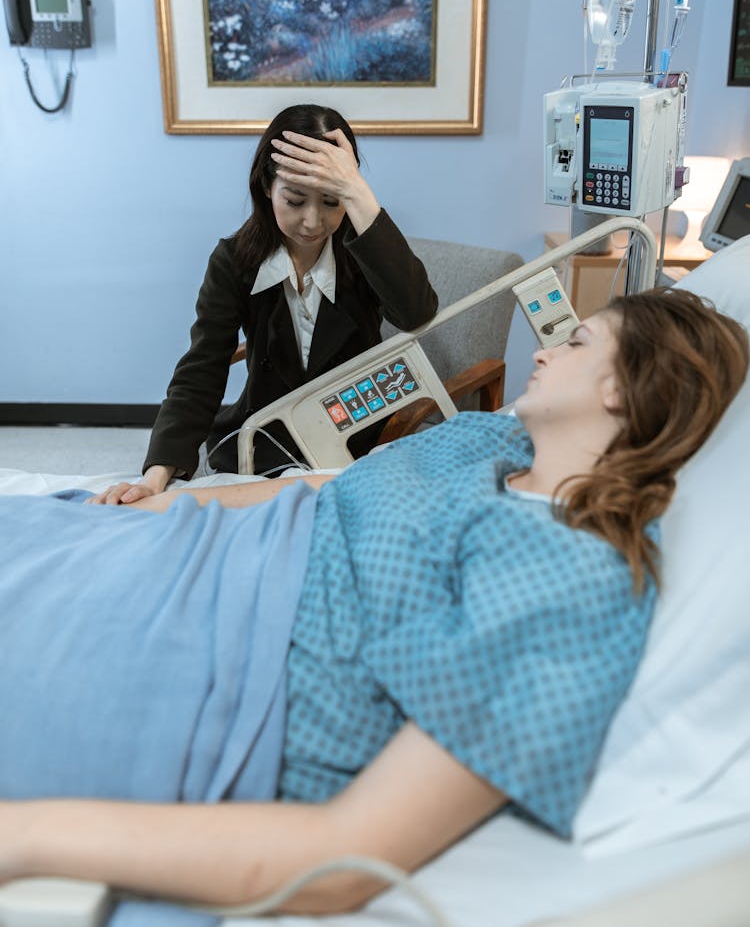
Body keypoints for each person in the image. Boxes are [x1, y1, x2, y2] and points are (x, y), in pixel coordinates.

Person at [0, 289, 746, 918]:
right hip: (181, 554)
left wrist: (24, 836)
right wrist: (146, 512)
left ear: (624, 386)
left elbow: (348, 854)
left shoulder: (574, 580)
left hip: (216, 654)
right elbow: (317, 488)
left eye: (577, 341)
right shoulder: (490, 438)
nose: (546, 350)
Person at [94, 103, 437, 503]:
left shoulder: (366, 252)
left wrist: (357, 191)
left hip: (355, 440)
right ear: (266, 187)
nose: (312, 222)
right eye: (294, 201)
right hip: (266, 440)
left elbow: (416, 313)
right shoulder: (234, 260)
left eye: (331, 201)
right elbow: (201, 368)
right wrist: (156, 476)